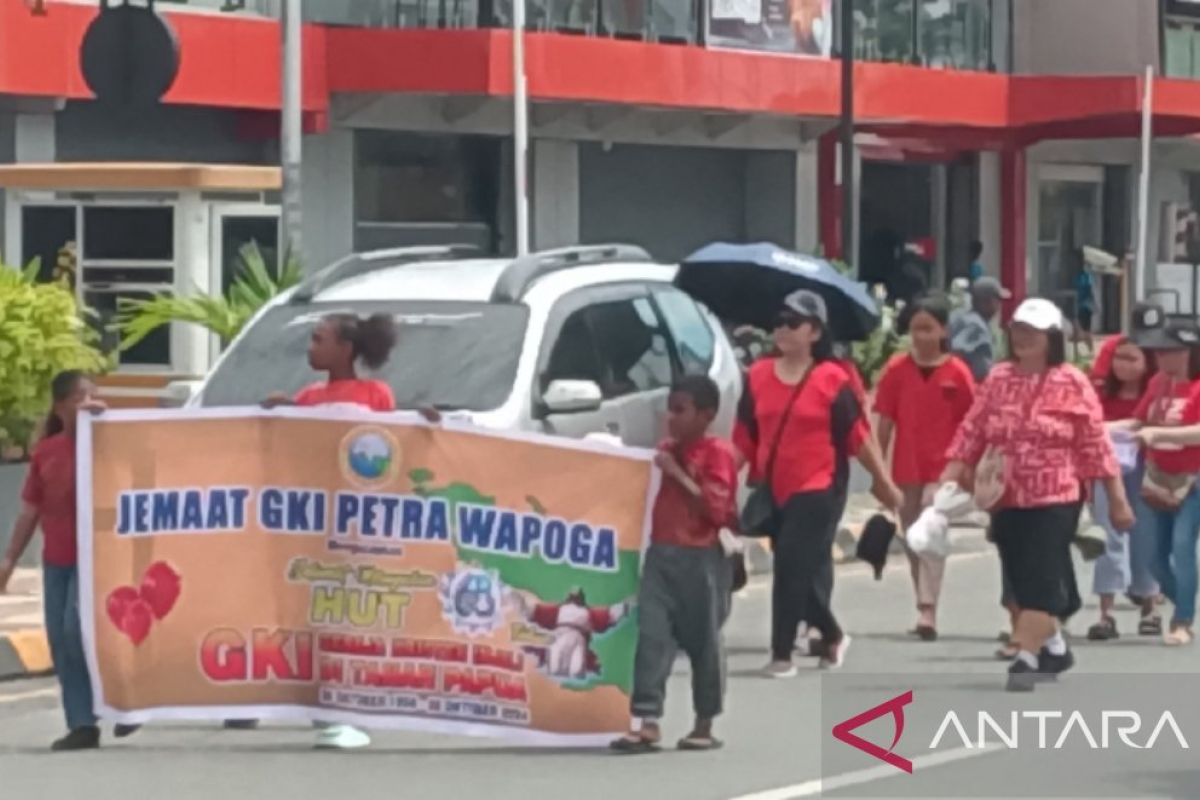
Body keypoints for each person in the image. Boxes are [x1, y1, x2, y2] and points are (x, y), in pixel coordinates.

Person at [262, 311, 436, 748]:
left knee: (350, 613)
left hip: (357, 528)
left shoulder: (375, 394)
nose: (311, 347)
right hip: (313, 527)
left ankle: (351, 709)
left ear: (346, 349)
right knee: (317, 615)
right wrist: (274, 416)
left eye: (319, 339)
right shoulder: (304, 399)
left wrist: (424, 426)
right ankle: (326, 711)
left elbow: (391, 452)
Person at [943, 298, 1131, 692]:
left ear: (1051, 338)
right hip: (1006, 495)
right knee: (1022, 578)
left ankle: (1026, 657)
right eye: (1018, 331)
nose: (1023, 338)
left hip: (1056, 496)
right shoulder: (998, 379)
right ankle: (1056, 645)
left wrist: (1116, 498)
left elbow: (1094, 444)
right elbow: (973, 428)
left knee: (1043, 577)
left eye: (1033, 332)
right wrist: (954, 471)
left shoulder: (1071, 382)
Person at [735, 289, 902, 678]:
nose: (782, 329)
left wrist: (883, 483)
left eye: (793, 322)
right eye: (778, 321)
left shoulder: (832, 380)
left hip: (819, 486)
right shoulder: (758, 376)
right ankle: (831, 632)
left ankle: (781, 655)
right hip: (775, 486)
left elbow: (857, 438)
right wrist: (720, 474)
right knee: (796, 567)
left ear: (814, 331)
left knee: (791, 564)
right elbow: (745, 436)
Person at [0, 372, 139, 750]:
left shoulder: (109, 444)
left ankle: (122, 705)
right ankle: (82, 723)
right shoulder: (47, 452)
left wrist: (106, 425)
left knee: (77, 631)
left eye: (93, 395)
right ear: (61, 407)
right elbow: (29, 511)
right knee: (60, 638)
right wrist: (9, 559)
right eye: (80, 397)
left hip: (99, 558)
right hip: (57, 560)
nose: (88, 403)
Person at [611, 375, 738, 754]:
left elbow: (715, 509)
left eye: (681, 410)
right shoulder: (665, 450)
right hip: (661, 554)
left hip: (702, 559)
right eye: (671, 409)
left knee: (704, 642)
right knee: (652, 638)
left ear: (706, 414)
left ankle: (704, 721)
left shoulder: (718, 454)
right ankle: (647, 720)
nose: (672, 418)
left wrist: (677, 474)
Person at [875, 293, 975, 641]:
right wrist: (879, 472)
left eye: (928, 329)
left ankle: (927, 608)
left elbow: (971, 424)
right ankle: (923, 599)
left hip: (944, 470)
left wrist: (967, 469)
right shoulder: (896, 370)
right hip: (906, 466)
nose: (920, 336)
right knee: (913, 537)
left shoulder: (958, 373)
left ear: (943, 330)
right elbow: (884, 422)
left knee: (931, 534)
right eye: (915, 329)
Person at [1115, 317, 1200, 646]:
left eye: (1169, 351)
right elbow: (1139, 421)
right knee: (1151, 555)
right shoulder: (1158, 383)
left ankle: (1183, 619)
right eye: (1158, 352)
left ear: (1189, 351)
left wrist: (1160, 432)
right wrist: (1102, 428)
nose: (1161, 358)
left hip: (1193, 478)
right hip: (1156, 476)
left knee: (1182, 546)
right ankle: (1185, 599)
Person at [1086, 333, 1159, 641]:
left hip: (1145, 468)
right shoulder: (1099, 393)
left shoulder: (1154, 393)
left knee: (1146, 535)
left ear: (1146, 364)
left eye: (1132, 359)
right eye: (1119, 358)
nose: (1124, 365)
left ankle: (1150, 606)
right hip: (1106, 470)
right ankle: (1106, 613)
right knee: (1109, 535)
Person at [950, 276, 1011, 383]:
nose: (999, 305)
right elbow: (981, 370)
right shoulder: (975, 326)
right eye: (998, 300)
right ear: (986, 301)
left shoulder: (959, 316)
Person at [1074, 264, 1096, 356]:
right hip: (1086, 306)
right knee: (1085, 329)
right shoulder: (1087, 277)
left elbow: (1082, 291)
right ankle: (1089, 350)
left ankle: (1086, 350)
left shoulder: (1081, 277)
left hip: (1083, 306)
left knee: (1082, 329)